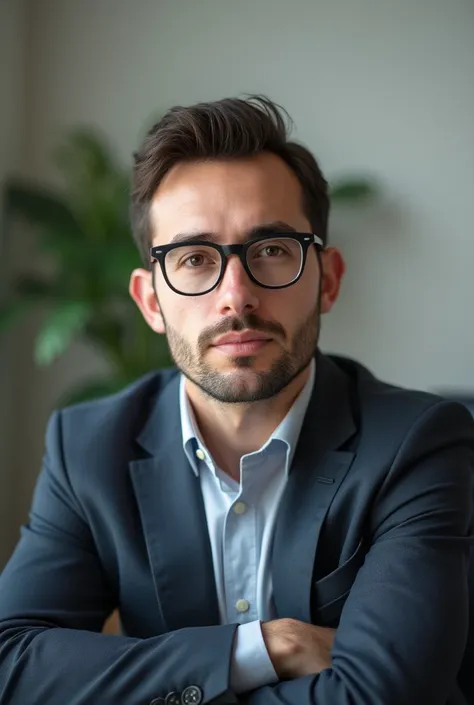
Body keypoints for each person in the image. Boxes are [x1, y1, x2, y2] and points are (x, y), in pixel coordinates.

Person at [0, 96, 472, 705]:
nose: (236, 296)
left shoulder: (418, 443)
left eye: (272, 250)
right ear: (150, 302)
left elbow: (385, 695)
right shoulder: (87, 448)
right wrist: (267, 647)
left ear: (326, 278)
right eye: (194, 259)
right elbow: (12, 660)